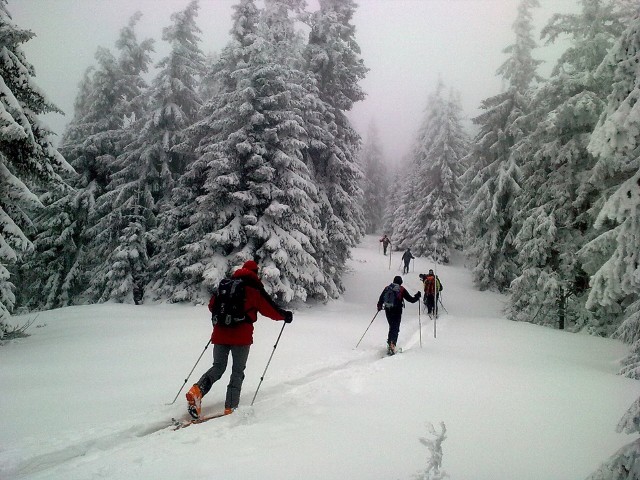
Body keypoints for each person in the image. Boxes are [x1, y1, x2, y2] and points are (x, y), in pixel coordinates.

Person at [186, 260, 293, 419]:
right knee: (237, 372)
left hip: (220, 333)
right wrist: (285, 316)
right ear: (255, 273)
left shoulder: (226, 285)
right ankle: (230, 408)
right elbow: (269, 309)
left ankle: (197, 391)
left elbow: (211, 306)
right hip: (241, 338)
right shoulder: (254, 289)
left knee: (218, 367)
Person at [377, 275, 421, 355]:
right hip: (397, 310)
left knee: (392, 326)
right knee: (395, 327)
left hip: (388, 309)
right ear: (400, 282)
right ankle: (392, 345)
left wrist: (379, 306)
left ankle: (390, 343)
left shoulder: (387, 288)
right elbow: (411, 300)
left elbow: (381, 298)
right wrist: (417, 296)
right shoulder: (401, 289)